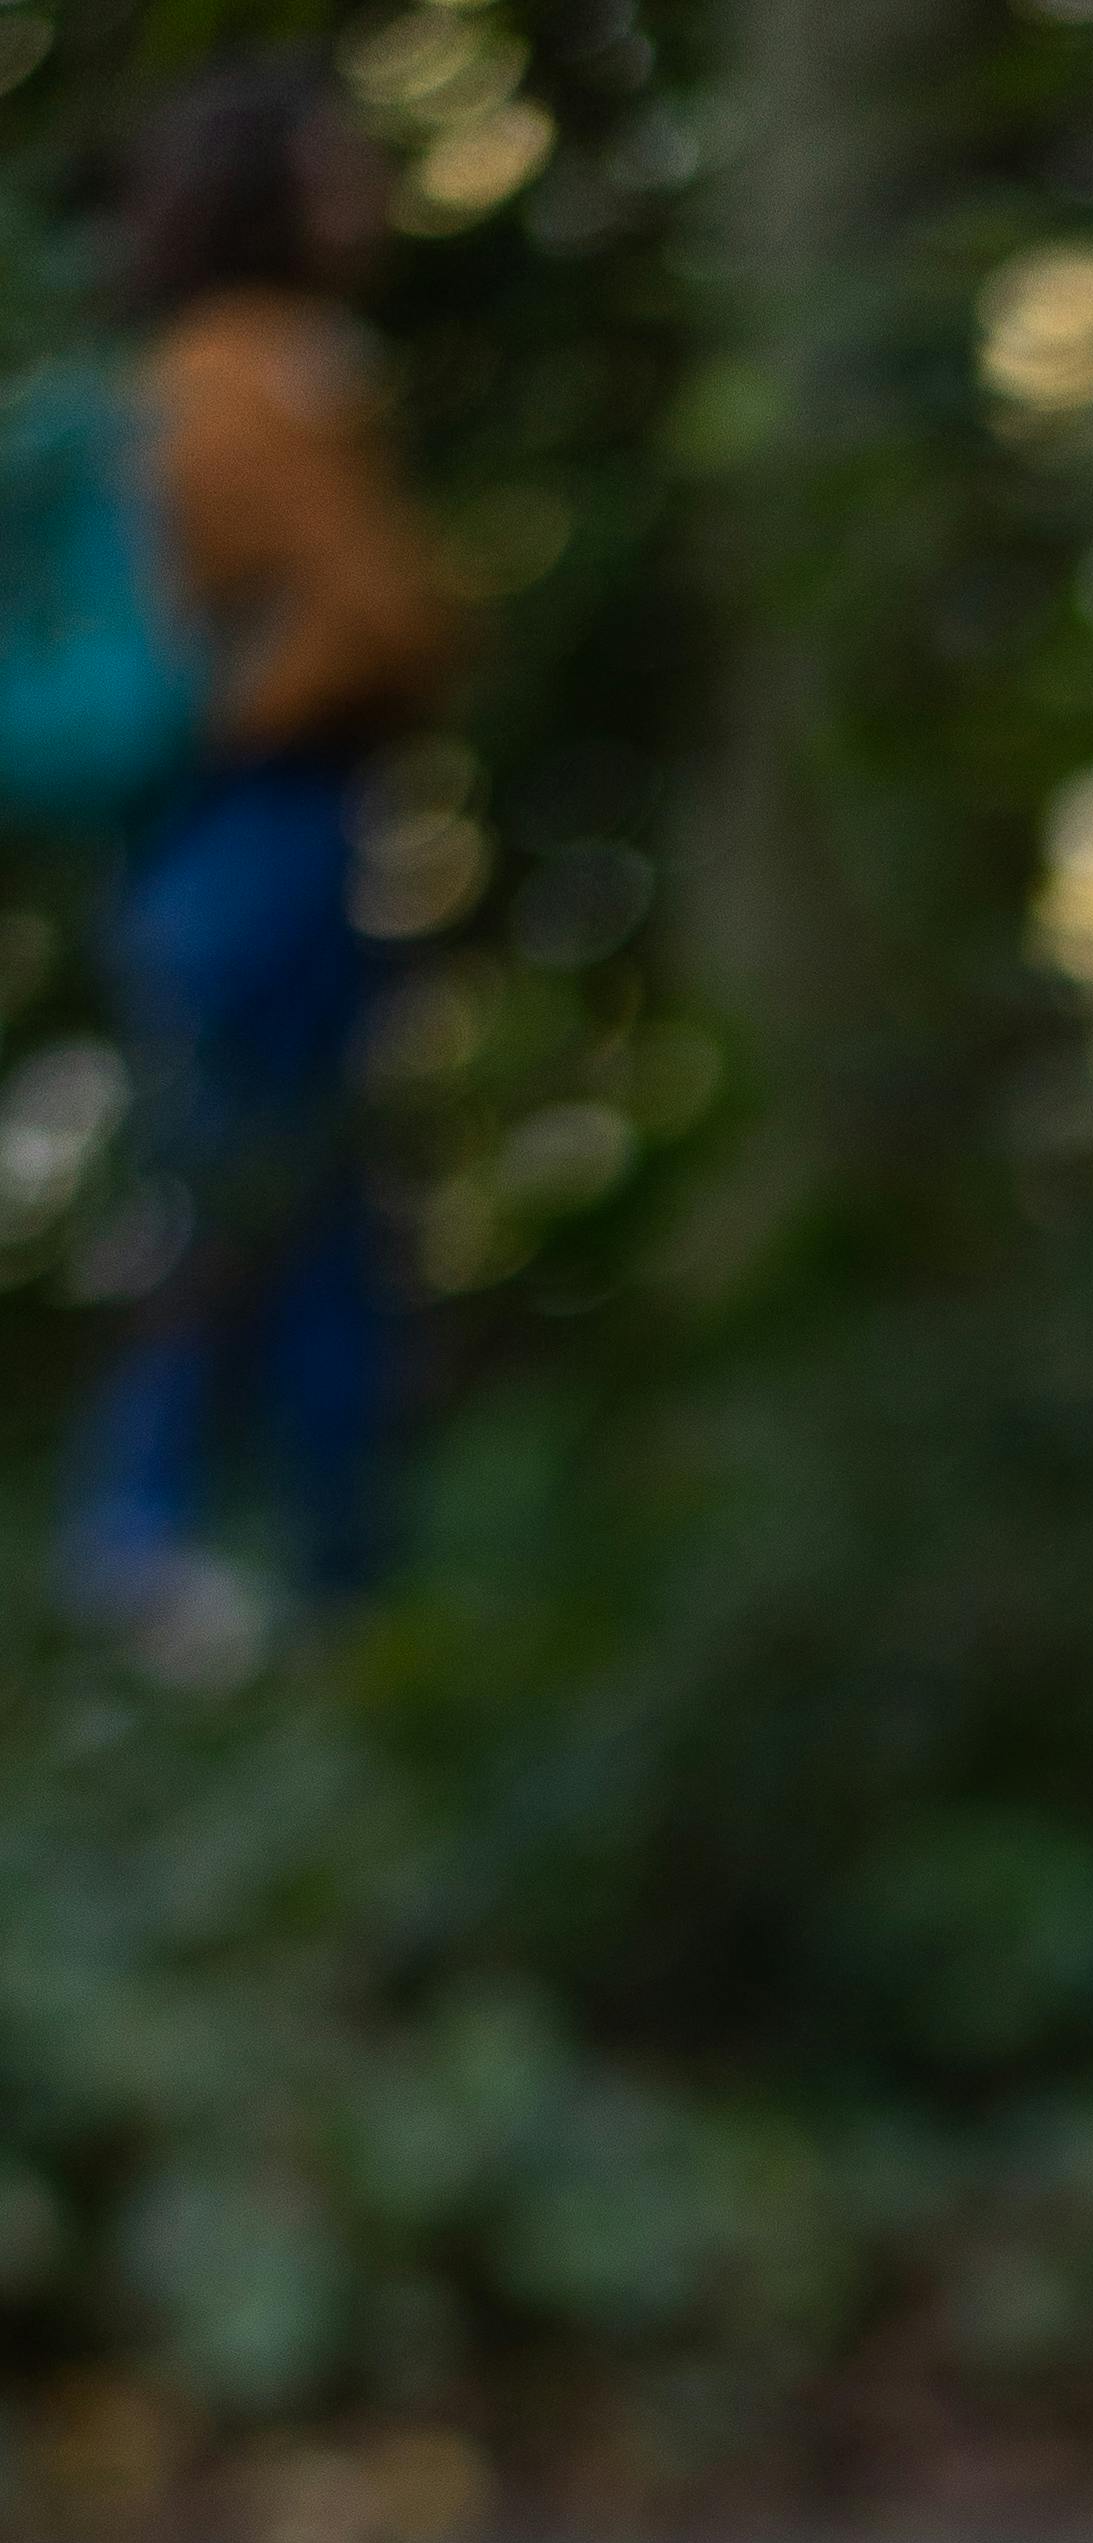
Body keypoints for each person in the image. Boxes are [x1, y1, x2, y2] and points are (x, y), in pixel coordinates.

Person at [62, 59, 464, 1663]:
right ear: (272, 198)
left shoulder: (172, 377)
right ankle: (180, 1541)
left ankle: (311, 1577)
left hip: (205, 839)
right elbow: (386, 613)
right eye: (338, 174)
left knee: (266, 1181)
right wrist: (294, 693)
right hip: (263, 823)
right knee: (266, 1187)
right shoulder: (265, 378)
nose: (368, 203)